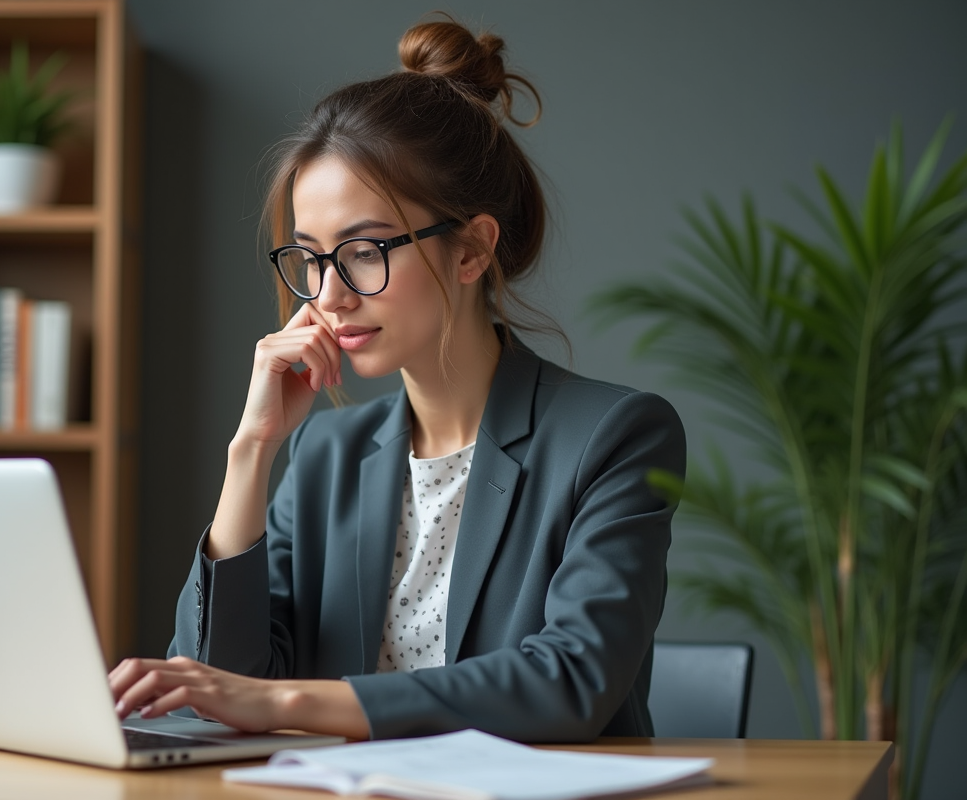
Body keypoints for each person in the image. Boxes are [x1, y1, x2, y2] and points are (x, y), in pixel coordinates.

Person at [109, 16, 686, 743]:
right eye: (312, 258)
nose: (328, 296)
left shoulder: (613, 437)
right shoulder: (327, 452)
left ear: (472, 249)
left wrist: (285, 704)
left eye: (364, 251)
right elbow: (210, 689)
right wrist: (250, 451)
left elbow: (570, 679)